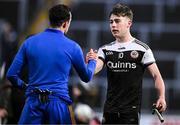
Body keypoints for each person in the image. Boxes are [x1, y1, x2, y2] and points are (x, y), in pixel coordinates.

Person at [6, 4, 97, 124]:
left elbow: (11, 75)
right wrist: (92, 61)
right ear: (66, 23)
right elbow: (86, 77)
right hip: (58, 104)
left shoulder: (29, 42)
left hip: (33, 102)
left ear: (51, 20)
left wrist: (24, 86)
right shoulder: (73, 47)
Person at [87, 3, 166, 124]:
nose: (113, 25)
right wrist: (90, 62)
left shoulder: (142, 49)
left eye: (117, 21)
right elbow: (93, 72)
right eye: (111, 22)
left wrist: (161, 97)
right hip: (109, 111)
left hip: (130, 112)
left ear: (129, 23)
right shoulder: (105, 49)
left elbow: (157, 76)